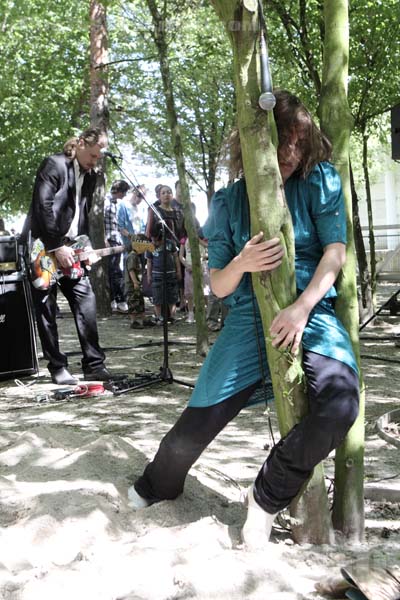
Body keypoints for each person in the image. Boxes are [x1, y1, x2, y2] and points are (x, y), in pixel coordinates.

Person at [128, 90, 359, 549]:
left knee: (341, 404)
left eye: (299, 142)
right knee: (187, 436)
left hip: (310, 312)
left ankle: (266, 496)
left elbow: (335, 254)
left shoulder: (321, 180)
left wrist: (300, 307)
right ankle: (156, 487)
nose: (291, 153)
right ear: (255, 146)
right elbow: (217, 284)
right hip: (247, 320)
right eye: (282, 142)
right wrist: (243, 262)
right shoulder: (229, 199)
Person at [22, 127, 112, 385]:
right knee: (46, 309)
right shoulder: (54, 164)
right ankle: (57, 367)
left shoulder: (91, 176)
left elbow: (80, 214)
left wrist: (86, 246)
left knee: (86, 301)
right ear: (81, 143)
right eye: (93, 155)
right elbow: (43, 206)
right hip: (43, 248)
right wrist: (56, 245)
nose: (95, 161)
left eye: (99, 157)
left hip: (71, 248)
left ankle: (94, 364)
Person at [104, 180, 130, 313]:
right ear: (119, 191)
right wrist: (104, 238)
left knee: (114, 270)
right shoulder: (105, 201)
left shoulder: (118, 204)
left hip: (117, 241)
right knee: (114, 271)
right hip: (109, 241)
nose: (125, 196)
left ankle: (115, 299)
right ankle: (119, 300)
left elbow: (118, 224)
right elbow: (100, 221)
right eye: (124, 192)